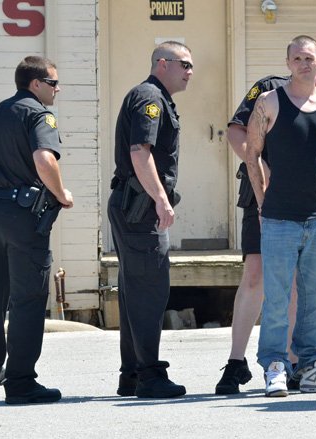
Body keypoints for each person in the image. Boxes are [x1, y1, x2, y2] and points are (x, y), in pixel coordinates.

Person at [216, 37, 316, 394]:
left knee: (313, 295)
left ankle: (308, 366)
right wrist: (263, 193)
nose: (315, 68)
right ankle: (265, 365)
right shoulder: (268, 96)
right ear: (289, 61)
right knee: (269, 288)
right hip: (273, 210)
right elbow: (245, 144)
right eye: (302, 59)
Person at [0, 56, 74, 404]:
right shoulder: (39, 115)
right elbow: (44, 160)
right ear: (35, 84)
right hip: (23, 216)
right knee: (27, 298)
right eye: (53, 83)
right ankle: (20, 382)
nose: (57, 89)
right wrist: (62, 195)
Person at [108, 41, 193, 398]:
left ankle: (133, 373)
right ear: (162, 62)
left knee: (135, 292)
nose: (190, 71)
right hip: (140, 208)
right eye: (184, 64)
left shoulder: (154, 97)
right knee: (149, 291)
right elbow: (139, 152)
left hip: (133, 205)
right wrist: (161, 199)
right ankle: (149, 375)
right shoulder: (150, 98)